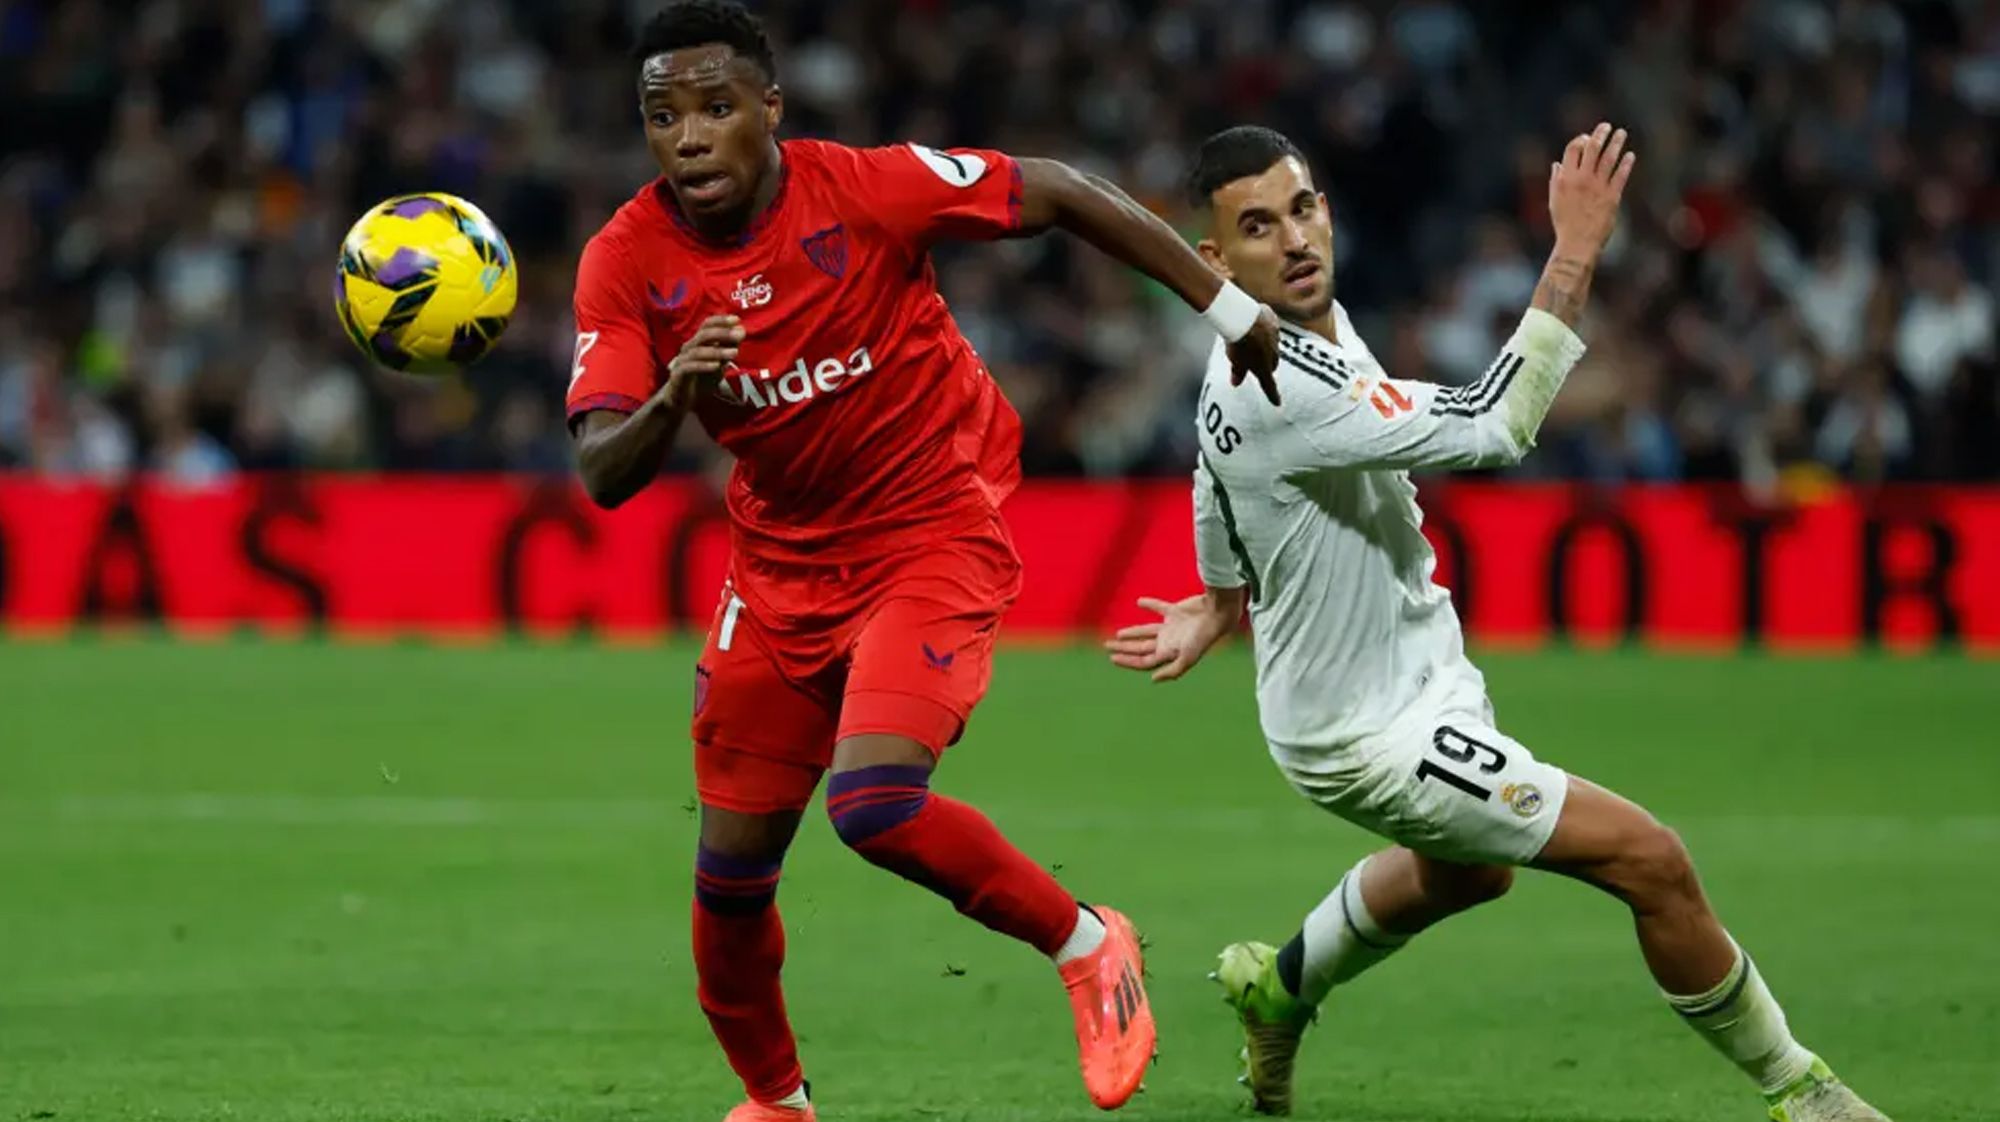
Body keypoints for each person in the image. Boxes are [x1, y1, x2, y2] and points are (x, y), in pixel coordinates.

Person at [563, 4, 1283, 1119]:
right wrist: (675, 395)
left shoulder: (866, 188)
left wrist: (1224, 305)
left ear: (770, 109)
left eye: (716, 107)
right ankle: (776, 1103)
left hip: (931, 527)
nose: (690, 137)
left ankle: (1088, 943)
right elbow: (604, 470)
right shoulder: (624, 259)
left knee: (874, 804)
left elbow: (1054, 189)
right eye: (664, 117)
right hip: (779, 568)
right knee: (729, 880)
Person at [1105, 123, 1892, 1122]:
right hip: (1366, 732)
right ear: (1214, 262)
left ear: (1326, 211)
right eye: (1258, 227)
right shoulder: (1282, 380)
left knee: (1470, 875)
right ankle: (1803, 1093)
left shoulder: (1282, 341)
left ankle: (1279, 986)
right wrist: (1574, 250)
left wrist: (1222, 598)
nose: (1294, 240)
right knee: (1648, 859)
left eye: (1301, 209)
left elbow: (1208, 463)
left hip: (1405, 677)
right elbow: (1494, 424)